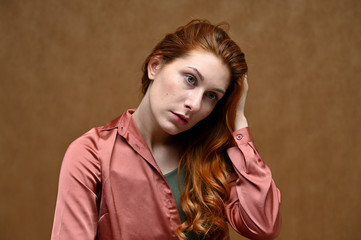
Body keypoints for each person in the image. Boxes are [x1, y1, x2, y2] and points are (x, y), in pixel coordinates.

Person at [51, 19, 281, 240]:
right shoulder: (92, 154)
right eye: (190, 79)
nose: (195, 104)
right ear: (155, 66)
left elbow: (263, 225)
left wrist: (238, 120)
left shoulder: (213, 154)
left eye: (211, 96)